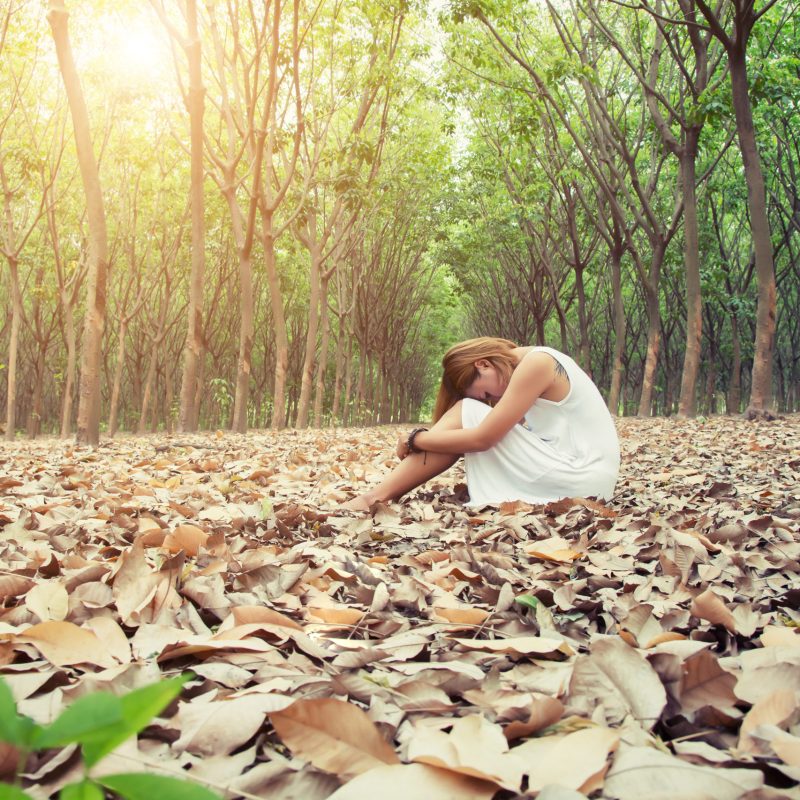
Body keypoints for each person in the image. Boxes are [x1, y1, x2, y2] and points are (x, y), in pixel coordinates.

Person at [343, 337, 620, 511]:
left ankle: (375, 496)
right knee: (468, 413)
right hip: (585, 476)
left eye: (487, 394)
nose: (494, 399)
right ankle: (380, 493)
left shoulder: (538, 364)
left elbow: (483, 439)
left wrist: (417, 438)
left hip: (582, 479)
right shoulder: (533, 362)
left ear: (483, 364)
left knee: (467, 411)